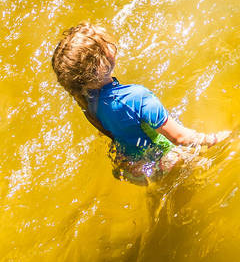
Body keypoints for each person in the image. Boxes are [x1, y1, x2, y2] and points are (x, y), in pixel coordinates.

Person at [52, 22, 228, 185]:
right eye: (105, 44)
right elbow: (181, 138)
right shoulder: (137, 97)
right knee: (211, 168)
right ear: (100, 64)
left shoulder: (86, 99)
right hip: (164, 161)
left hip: (135, 167)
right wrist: (217, 139)